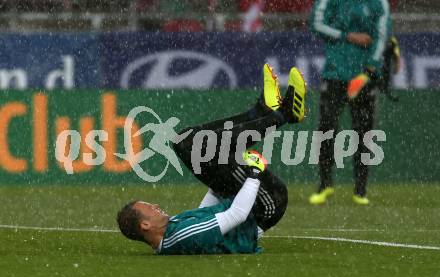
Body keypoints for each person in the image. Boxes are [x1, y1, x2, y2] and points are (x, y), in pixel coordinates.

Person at [116, 64, 307, 254]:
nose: (156, 206)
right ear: (146, 224)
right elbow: (236, 215)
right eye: (150, 208)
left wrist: (216, 179)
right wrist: (254, 173)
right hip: (265, 206)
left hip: (245, 203)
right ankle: (283, 114)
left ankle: (261, 111)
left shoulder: (171, 231)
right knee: (205, 148)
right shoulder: (181, 236)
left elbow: (205, 213)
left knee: (184, 142)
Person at [308, 0, 392, 205]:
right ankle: (325, 184)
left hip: (363, 76)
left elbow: (382, 35)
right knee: (327, 129)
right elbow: (316, 24)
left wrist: (371, 67)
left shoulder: (378, 3)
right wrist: (347, 36)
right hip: (335, 73)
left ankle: (360, 190)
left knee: (364, 133)